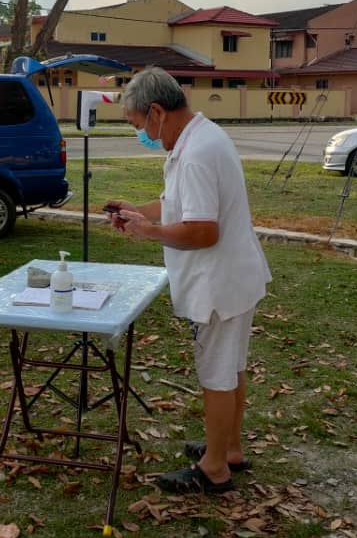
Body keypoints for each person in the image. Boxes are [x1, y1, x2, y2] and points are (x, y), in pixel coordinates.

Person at [105, 66, 271, 494]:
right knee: (231, 368)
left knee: (217, 375)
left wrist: (149, 232)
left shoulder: (196, 154)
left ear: (157, 112)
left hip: (218, 283)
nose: (141, 134)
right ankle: (229, 448)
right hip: (234, 277)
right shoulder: (199, 137)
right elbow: (176, 203)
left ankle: (214, 468)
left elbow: (202, 230)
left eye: (139, 124)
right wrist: (137, 211)